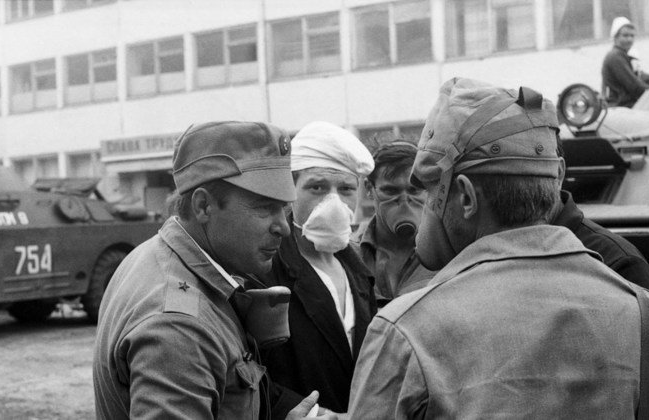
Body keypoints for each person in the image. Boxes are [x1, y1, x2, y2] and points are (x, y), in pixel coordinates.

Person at [348, 78, 649, 418]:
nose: (420, 208)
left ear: (466, 197)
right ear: (555, 177)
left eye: (427, 189)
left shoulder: (405, 330)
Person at [93, 121, 333, 419]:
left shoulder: (158, 255)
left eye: (283, 209)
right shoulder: (179, 328)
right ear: (203, 206)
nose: (283, 227)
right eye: (264, 208)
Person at [251, 121, 377, 414]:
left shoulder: (359, 270)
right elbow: (249, 370)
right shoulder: (264, 270)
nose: (334, 201)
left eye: (346, 189)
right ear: (290, 191)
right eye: (317, 187)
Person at [352, 141, 436, 307]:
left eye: (414, 190)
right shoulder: (350, 255)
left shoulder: (447, 254)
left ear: (428, 188)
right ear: (369, 188)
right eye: (390, 191)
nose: (404, 201)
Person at [602, 16, 649, 108]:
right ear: (615, 37)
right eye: (625, 36)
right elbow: (634, 85)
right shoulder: (615, 57)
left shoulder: (624, 56)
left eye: (632, 36)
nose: (629, 39)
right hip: (620, 107)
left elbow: (643, 77)